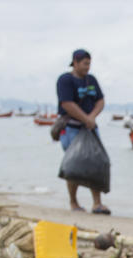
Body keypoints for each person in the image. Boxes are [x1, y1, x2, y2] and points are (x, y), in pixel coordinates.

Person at [56, 49, 108, 214]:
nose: (87, 67)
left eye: (89, 63)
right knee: (74, 165)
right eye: (85, 63)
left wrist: (91, 118)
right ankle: (74, 202)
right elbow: (66, 103)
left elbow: (100, 100)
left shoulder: (91, 80)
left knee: (96, 163)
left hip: (90, 129)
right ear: (75, 62)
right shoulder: (65, 80)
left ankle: (97, 203)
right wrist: (85, 119)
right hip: (71, 128)